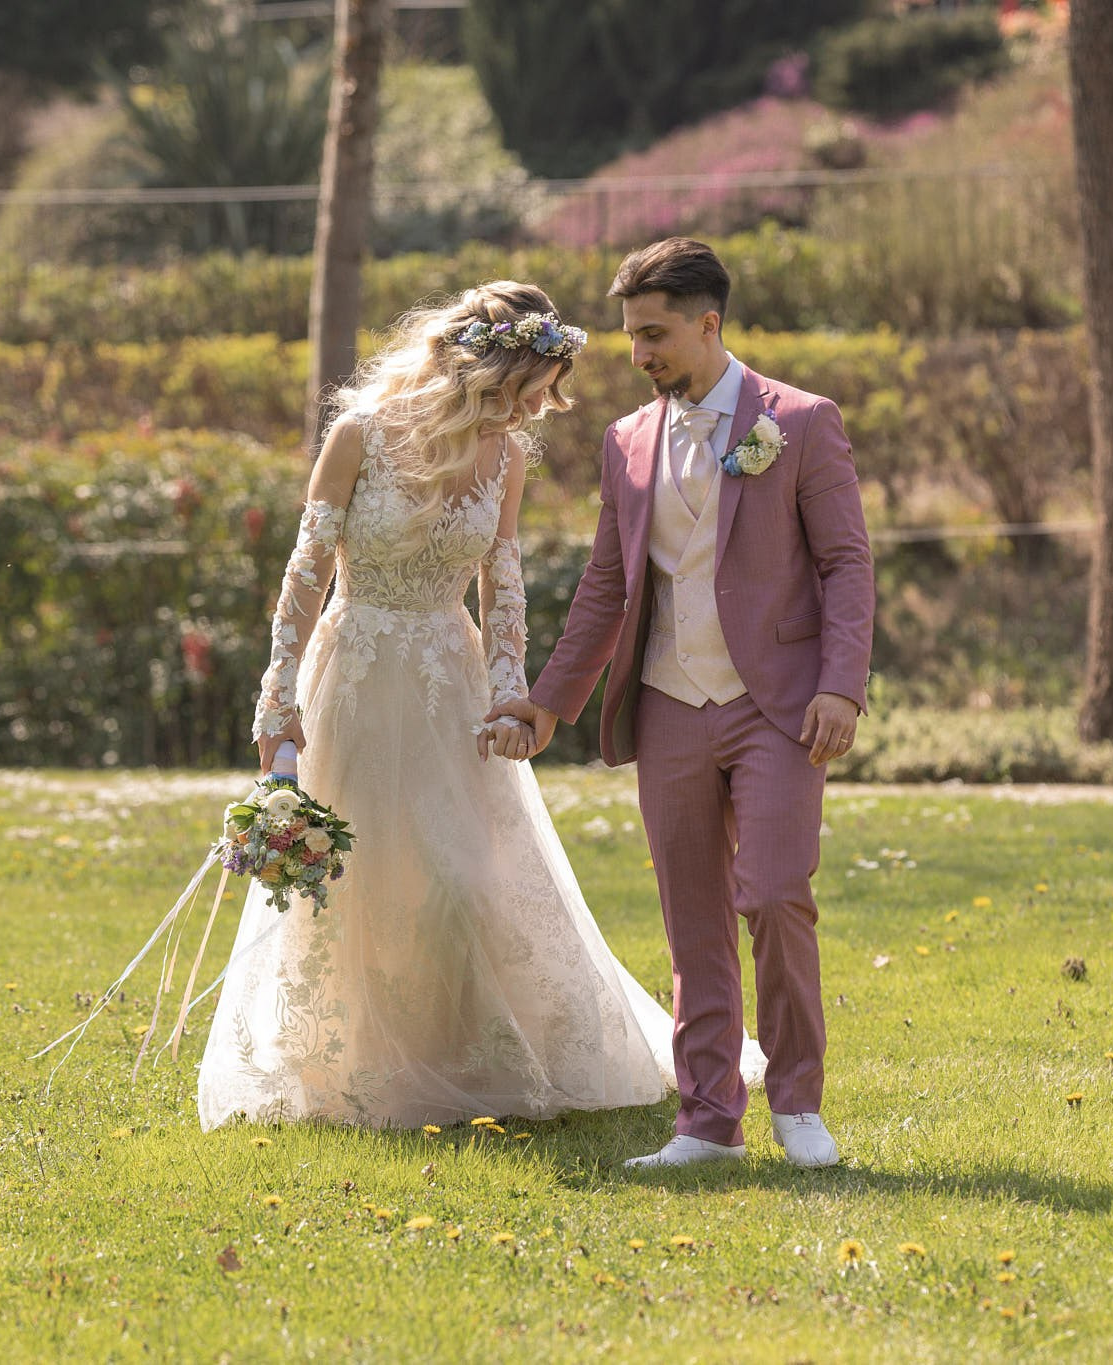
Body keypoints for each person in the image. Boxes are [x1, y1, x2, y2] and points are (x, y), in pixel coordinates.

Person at [198, 281, 763, 1131]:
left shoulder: (508, 459)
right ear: (483, 371)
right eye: (529, 391)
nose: (537, 410)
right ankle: (346, 1066)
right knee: (353, 881)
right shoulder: (357, 437)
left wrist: (511, 690)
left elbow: (504, 586)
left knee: (461, 879)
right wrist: (278, 703)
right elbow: (305, 576)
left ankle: (463, 1055)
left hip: (450, 683)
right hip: (355, 674)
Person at [487, 239, 875, 1170]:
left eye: (655, 334)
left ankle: (798, 1105)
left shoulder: (802, 422)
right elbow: (604, 590)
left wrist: (841, 687)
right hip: (667, 703)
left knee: (776, 894)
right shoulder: (625, 442)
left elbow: (846, 564)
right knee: (691, 917)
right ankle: (707, 1121)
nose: (640, 355)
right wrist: (548, 704)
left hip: (777, 704)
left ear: (710, 323)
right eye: (630, 337)